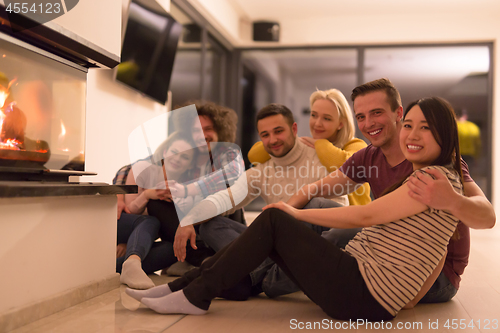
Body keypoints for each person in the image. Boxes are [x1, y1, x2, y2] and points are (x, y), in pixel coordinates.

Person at [125, 96, 464, 320]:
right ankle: (186, 287)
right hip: (359, 281)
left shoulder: (432, 179)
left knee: (276, 216)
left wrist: (297, 214)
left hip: (362, 291)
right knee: (242, 221)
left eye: (425, 128)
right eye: (410, 126)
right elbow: (431, 247)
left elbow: (365, 215)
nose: (412, 134)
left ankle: (197, 291)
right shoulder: (436, 177)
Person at [287, 78, 495, 303]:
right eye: (361, 117)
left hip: (433, 274)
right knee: (315, 205)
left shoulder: (440, 164)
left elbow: (488, 216)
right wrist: (281, 212)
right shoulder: (368, 156)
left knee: (341, 235)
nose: (368, 124)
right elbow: (314, 190)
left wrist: (453, 200)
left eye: (376, 113)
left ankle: (263, 280)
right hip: (383, 253)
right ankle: (261, 266)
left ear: (398, 113)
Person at [172, 103, 348, 299]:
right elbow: (226, 198)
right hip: (275, 252)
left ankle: (248, 277)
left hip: (313, 248)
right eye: (265, 135)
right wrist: (188, 219)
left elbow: (339, 216)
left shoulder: (320, 157)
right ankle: (255, 278)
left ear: (294, 129)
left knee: (311, 207)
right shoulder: (262, 170)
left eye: (278, 131)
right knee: (210, 225)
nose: (272, 140)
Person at [145, 101, 245, 267]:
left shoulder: (228, 153)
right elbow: (145, 164)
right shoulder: (187, 157)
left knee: (221, 206)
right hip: (193, 230)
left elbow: (232, 175)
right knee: (156, 202)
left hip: (220, 224)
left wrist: (188, 190)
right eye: (196, 130)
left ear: (220, 130)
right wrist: (123, 195)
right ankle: (203, 261)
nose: (202, 135)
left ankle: (197, 261)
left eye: (208, 129)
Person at [248, 89, 370, 206]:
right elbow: (254, 156)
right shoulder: (308, 146)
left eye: (326, 118)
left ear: (341, 124)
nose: (317, 123)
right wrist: (285, 141)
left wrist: (319, 143)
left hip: (357, 224)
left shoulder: (356, 145)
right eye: (314, 115)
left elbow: (345, 168)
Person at [116, 131, 199, 289]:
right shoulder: (143, 168)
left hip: (143, 238)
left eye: (185, 157)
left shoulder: (184, 186)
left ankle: (118, 268)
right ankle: (132, 261)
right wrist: (148, 194)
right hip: (129, 224)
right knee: (151, 220)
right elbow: (130, 211)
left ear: (190, 164)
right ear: (166, 152)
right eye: (174, 152)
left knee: (171, 249)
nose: (177, 159)